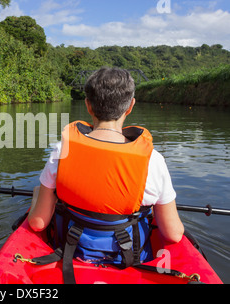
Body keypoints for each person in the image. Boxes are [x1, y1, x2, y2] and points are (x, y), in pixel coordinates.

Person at [27, 67, 184, 271]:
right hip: (130, 261)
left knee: (41, 191)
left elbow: (38, 223)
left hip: (70, 255)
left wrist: (37, 196)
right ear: (130, 107)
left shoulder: (61, 150)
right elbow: (173, 234)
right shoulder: (153, 161)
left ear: (88, 106)